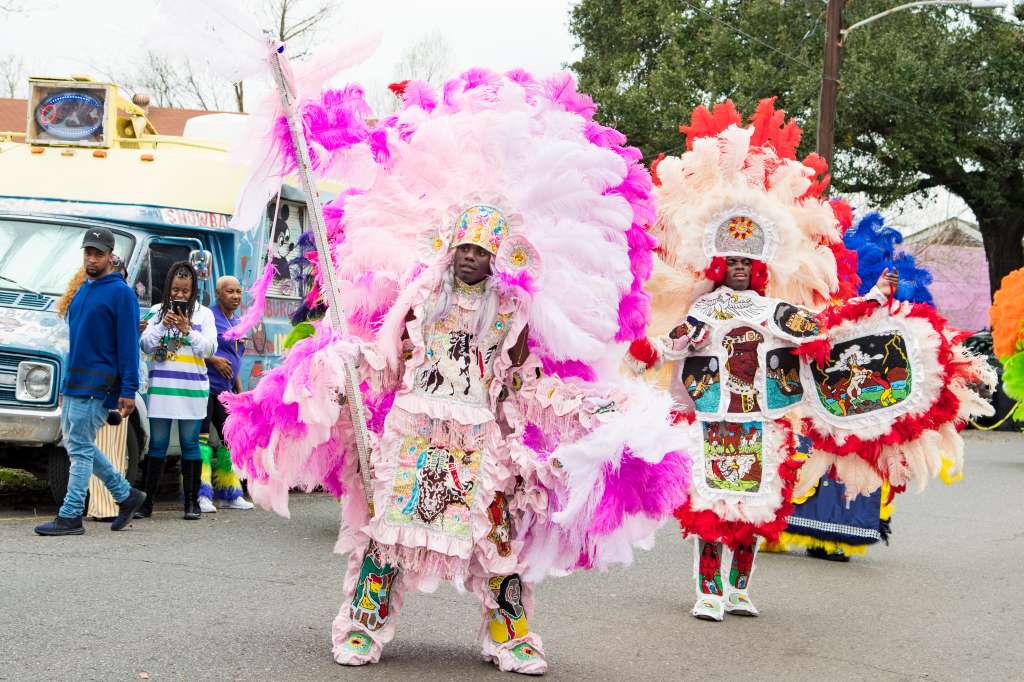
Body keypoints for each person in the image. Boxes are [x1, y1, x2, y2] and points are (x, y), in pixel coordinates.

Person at [221, 70, 688, 675]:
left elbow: (522, 385)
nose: (471, 257)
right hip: (413, 436)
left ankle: (512, 633)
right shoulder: (417, 299)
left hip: (480, 441)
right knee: (387, 535)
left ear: (497, 257)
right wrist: (343, 363)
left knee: (497, 544)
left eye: (482, 250)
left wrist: (587, 408)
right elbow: (388, 360)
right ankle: (364, 623)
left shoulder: (511, 314)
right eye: (463, 247)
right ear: (449, 247)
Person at [629, 98, 994, 621]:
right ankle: (708, 591)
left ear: (757, 268)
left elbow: (821, 327)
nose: (736, 269)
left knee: (753, 514)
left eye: (744, 262)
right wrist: (650, 349)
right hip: (714, 420)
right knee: (712, 509)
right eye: (729, 261)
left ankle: (737, 589)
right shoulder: (706, 308)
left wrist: (870, 299)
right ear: (717, 263)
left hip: (762, 420)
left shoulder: (774, 310)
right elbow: (680, 340)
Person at [35, 227, 147, 536]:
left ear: (111, 256)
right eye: (88, 252)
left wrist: (128, 389)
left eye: (98, 253)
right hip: (75, 382)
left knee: (80, 449)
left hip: (100, 384)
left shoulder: (121, 293)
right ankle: (127, 496)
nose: (92, 258)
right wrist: (64, 386)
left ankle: (70, 515)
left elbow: (128, 344)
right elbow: (76, 342)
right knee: (76, 444)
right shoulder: (83, 289)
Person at [137, 261, 217, 520]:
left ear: (193, 290)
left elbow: (209, 349)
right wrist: (162, 325)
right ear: (168, 288)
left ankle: (192, 503)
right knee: (157, 444)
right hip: (162, 388)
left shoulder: (204, 314)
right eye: (175, 291)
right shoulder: (156, 311)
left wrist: (187, 330)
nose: (180, 296)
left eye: (185, 291)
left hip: (192, 389)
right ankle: (146, 503)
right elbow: (146, 345)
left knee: (190, 444)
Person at [196, 275, 254, 512]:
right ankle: (201, 494)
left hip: (225, 391)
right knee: (200, 442)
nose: (235, 296)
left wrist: (239, 389)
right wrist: (213, 360)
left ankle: (230, 493)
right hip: (204, 387)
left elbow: (235, 359)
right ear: (218, 294)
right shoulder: (210, 317)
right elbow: (195, 345)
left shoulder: (237, 321)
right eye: (230, 291)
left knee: (230, 440)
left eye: (238, 292)